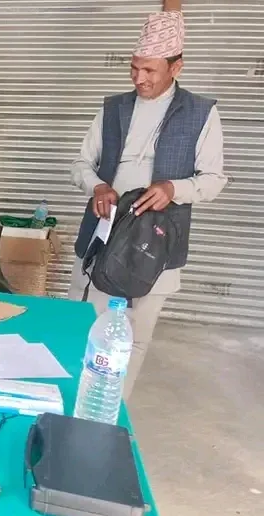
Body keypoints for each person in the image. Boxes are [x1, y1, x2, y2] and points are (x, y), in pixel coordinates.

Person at [68, 11, 227, 400]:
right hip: (102, 236)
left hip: (156, 245)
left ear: (176, 67)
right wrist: (97, 186)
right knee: (81, 327)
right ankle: (71, 405)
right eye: (134, 68)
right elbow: (80, 164)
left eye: (150, 70)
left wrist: (174, 189)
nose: (139, 78)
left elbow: (213, 179)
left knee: (134, 338)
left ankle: (112, 410)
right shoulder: (113, 108)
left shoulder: (200, 113)